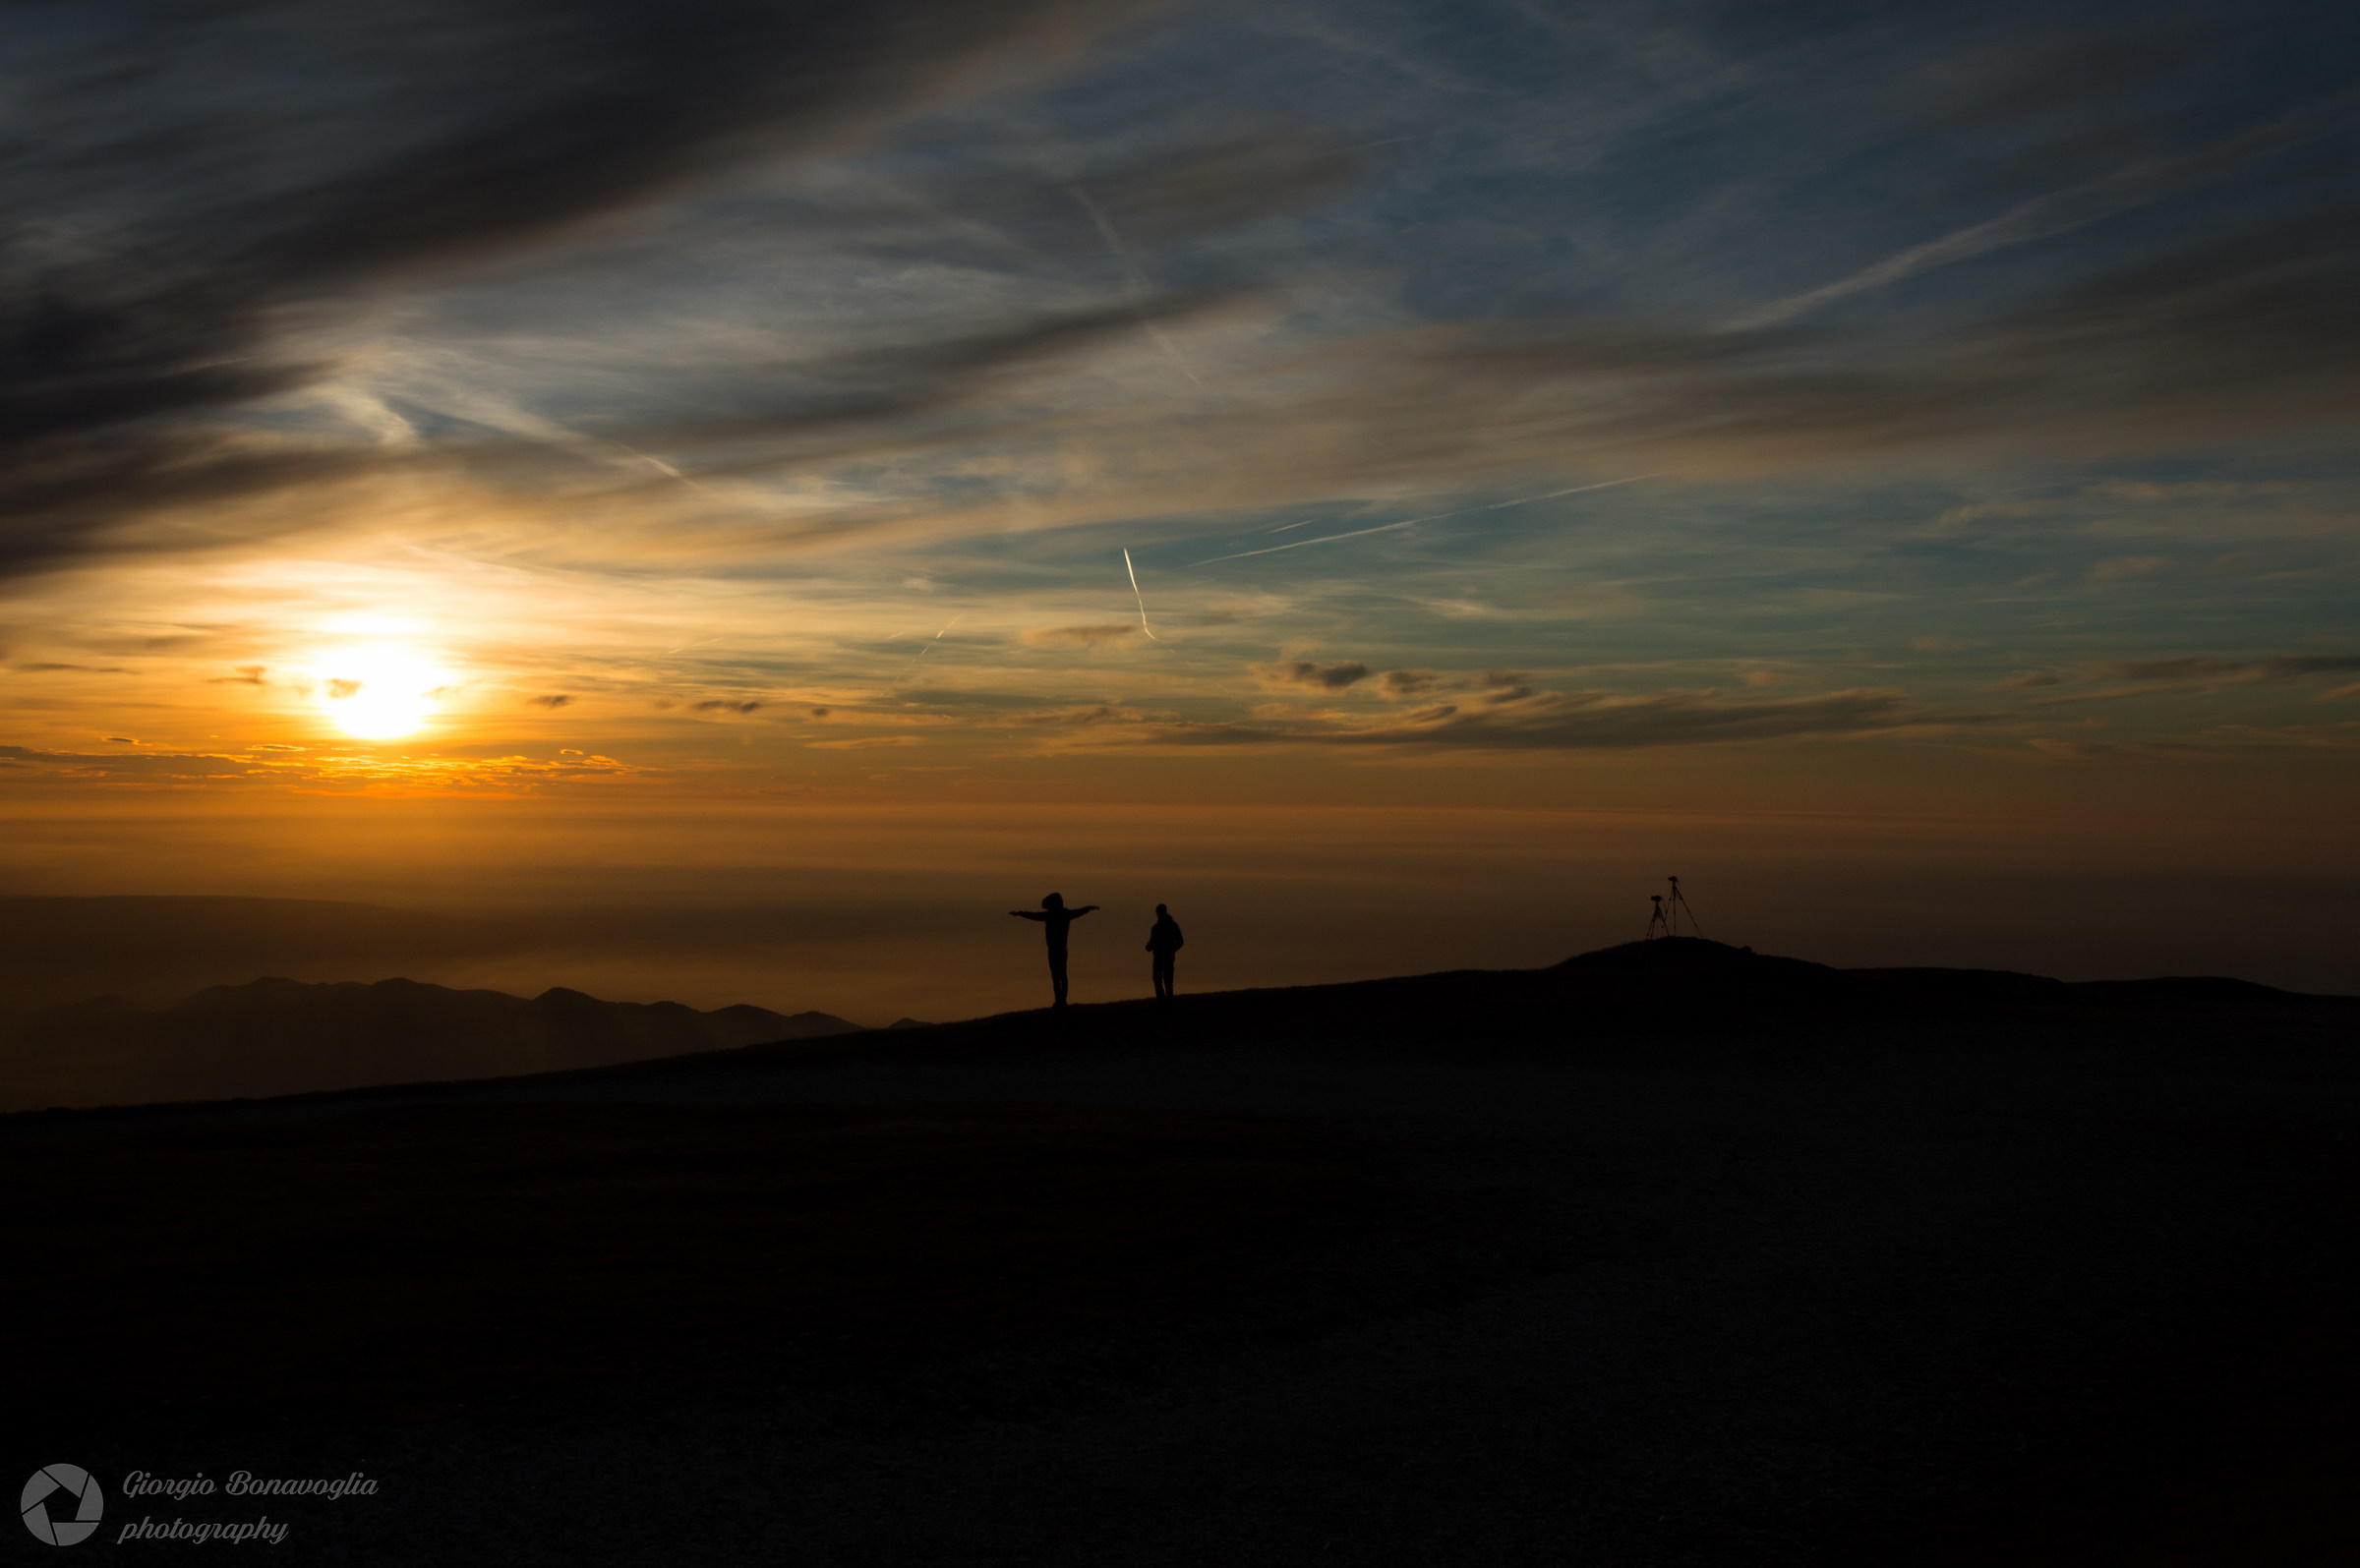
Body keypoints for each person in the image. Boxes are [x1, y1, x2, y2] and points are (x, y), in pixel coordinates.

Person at [1008, 893, 1098, 1008]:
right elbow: (1079, 911)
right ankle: (1062, 999)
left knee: (1056, 976)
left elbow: (1034, 916)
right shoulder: (1065, 914)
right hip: (1061, 949)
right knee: (1061, 974)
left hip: (1054, 949)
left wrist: (1019, 913)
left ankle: (1059, 999)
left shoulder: (1050, 915)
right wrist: (1089, 908)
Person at [1146, 903, 1184, 1006]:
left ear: (1164, 912)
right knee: (1157, 979)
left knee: (1168, 981)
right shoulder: (1155, 928)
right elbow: (1152, 942)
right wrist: (1149, 947)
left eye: (1161, 912)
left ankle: (1168, 1003)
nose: (1159, 914)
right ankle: (1162, 1002)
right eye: (1158, 912)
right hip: (1158, 957)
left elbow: (1180, 941)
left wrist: (1171, 950)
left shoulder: (1173, 926)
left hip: (1167, 958)